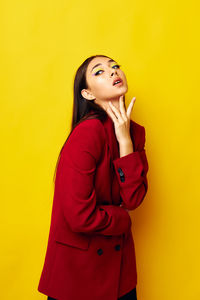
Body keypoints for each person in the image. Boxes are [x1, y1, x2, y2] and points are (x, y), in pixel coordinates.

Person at [37, 54, 149, 300]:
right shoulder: (87, 133)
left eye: (115, 66)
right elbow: (80, 216)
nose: (112, 72)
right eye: (99, 72)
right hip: (78, 273)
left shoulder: (135, 134)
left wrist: (125, 141)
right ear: (88, 94)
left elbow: (133, 199)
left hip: (120, 273)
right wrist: (122, 219)